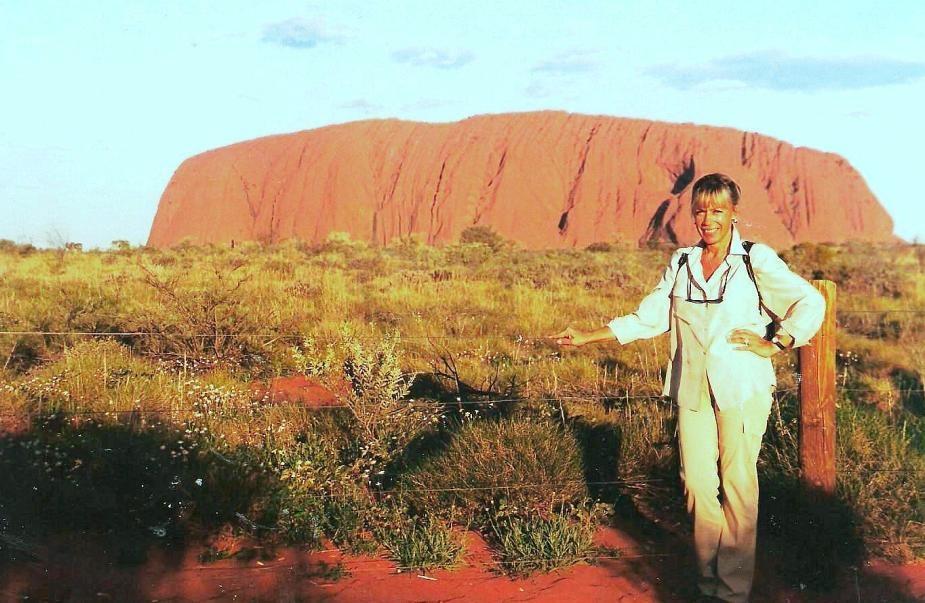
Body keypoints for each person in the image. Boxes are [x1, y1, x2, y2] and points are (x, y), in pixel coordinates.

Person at [553, 173, 825, 603]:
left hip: (740, 386)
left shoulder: (755, 260)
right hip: (692, 386)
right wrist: (588, 336)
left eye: (717, 210)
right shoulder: (681, 262)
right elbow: (650, 318)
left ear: (734, 213)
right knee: (697, 484)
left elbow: (810, 301)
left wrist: (777, 341)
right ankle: (707, 584)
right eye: (700, 210)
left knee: (737, 482)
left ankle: (732, 591)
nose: (708, 219)